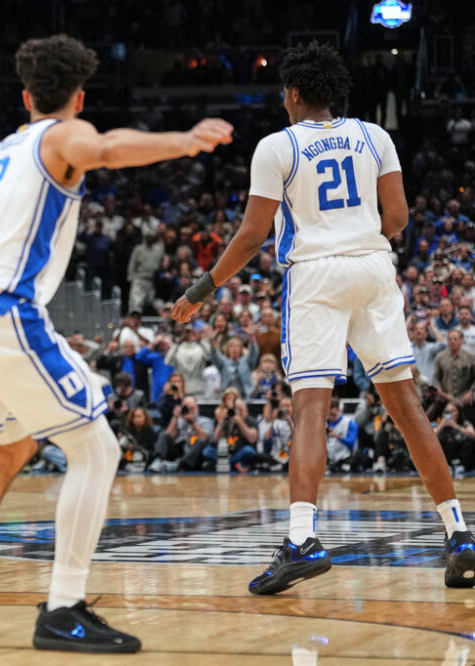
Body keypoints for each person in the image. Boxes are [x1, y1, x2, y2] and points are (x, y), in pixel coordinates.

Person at [0, 33, 232, 652]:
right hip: (3, 310)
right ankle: (63, 608)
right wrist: (186, 140)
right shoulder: (61, 136)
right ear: (78, 98)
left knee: (13, 445)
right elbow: (104, 149)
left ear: (25, 96)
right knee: (97, 449)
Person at [171, 42, 473, 593]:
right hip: (374, 268)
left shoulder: (277, 146)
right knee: (407, 407)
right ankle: (459, 535)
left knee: (311, 407)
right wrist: (360, 242)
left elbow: (253, 235)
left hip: (316, 275)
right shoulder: (374, 136)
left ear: (292, 94)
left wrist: (203, 288)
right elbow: (398, 217)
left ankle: (303, 539)